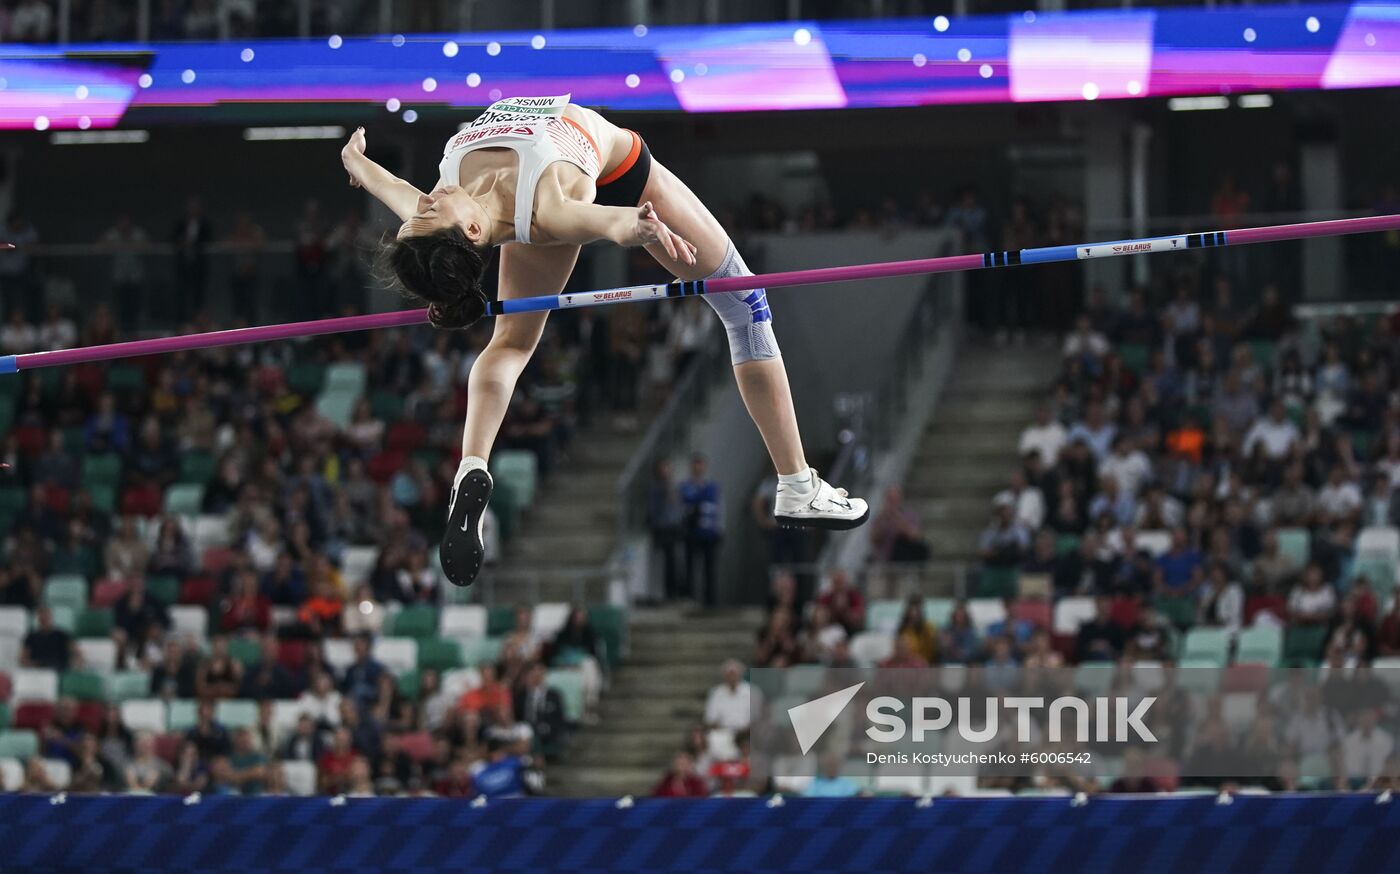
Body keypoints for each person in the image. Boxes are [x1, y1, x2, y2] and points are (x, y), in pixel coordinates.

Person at [343, 95, 867, 587]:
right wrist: (633, 227)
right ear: (472, 234)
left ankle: (472, 466)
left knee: (509, 345)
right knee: (745, 306)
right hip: (624, 182)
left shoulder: (444, 206)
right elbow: (593, 220)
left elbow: (392, 188)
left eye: (422, 211)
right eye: (430, 212)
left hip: (539, 208)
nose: (426, 201)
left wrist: (359, 164)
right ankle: (797, 487)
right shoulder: (549, 208)